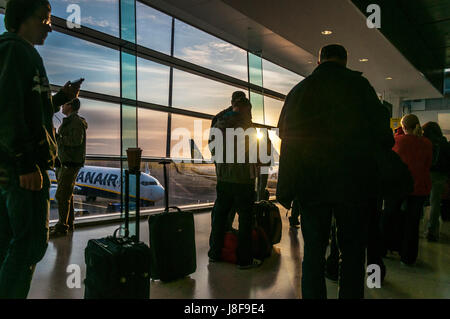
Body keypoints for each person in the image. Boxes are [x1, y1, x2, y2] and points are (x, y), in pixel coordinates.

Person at [277, 44, 394, 299]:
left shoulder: (300, 90)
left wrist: (286, 189)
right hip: (354, 186)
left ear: (319, 61)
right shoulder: (362, 88)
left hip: (312, 186)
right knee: (352, 252)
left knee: (314, 253)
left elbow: (286, 137)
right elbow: (385, 138)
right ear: (345, 61)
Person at [0, 0, 81, 298]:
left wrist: (60, 97)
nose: (50, 25)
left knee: (9, 241)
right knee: (30, 245)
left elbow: (29, 109)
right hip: (24, 170)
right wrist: (24, 163)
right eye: (44, 19)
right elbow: (6, 109)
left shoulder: (18, 52)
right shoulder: (16, 51)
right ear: (23, 18)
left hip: (15, 167)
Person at [208, 98, 262, 269]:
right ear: (246, 109)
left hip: (224, 179)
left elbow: (212, 149)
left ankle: (215, 253)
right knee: (245, 220)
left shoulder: (218, 124)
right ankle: (245, 260)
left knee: (219, 217)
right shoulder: (248, 127)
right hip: (243, 179)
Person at [382, 114, 432, 265]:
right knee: (412, 223)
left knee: (389, 217)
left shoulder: (398, 141)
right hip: (419, 188)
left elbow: (391, 161)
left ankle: (384, 248)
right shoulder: (427, 143)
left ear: (403, 127)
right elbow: (428, 165)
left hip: (397, 187)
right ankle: (409, 256)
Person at [50, 98, 88, 237]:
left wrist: (57, 137)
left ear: (70, 106)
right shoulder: (72, 122)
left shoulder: (76, 122)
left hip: (69, 164)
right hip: (66, 163)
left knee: (61, 195)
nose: (62, 106)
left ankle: (62, 226)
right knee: (67, 195)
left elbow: (75, 141)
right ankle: (68, 223)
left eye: (64, 103)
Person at [421, 122, 450, 242]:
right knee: (435, 204)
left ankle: (419, 229)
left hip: (425, 174)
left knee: (420, 202)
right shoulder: (444, 143)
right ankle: (432, 232)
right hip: (440, 176)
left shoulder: (424, 143)